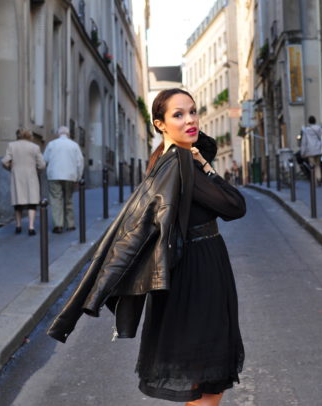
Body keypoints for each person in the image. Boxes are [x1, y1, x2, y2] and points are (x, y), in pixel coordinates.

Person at [47, 89, 246, 406]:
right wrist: (205, 166)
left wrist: (202, 162)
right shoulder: (179, 165)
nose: (190, 119)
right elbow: (235, 207)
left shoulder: (172, 162)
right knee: (203, 381)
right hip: (196, 278)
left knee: (208, 383)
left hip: (200, 273)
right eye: (178, 115)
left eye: (193, 111)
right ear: (160, 124)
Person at [1, 128, 46, 236]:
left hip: (17, 176)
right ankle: (31, 227)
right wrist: (37, 170)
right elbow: (42, 165)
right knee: (32, 202)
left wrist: (10, 168)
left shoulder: (12, 145)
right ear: (30, 136)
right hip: (31, 176)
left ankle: (18, 225)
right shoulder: (35, 147)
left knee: (18, 201)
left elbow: (4, 161)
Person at [43, 126, 84, 233]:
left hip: (54, 175)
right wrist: (78, 177)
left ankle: (58, 225)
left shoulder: (51, 144)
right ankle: (70, 224)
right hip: (70, 175)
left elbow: (45, 160)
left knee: (56, 199)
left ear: (58, 133)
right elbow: (80, 162)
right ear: (68, 134)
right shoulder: (74, 145)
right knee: (68, 199)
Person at [300, 115, 322, 185]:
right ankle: (319, 178)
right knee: (318, 165)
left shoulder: (306, 130)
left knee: (312, 166)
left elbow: (304, 142)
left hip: (310, 151)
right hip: (318, 149)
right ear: (315, 121)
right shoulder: (319, 128)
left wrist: (303, 152)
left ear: (309, 122)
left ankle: (314, 181)